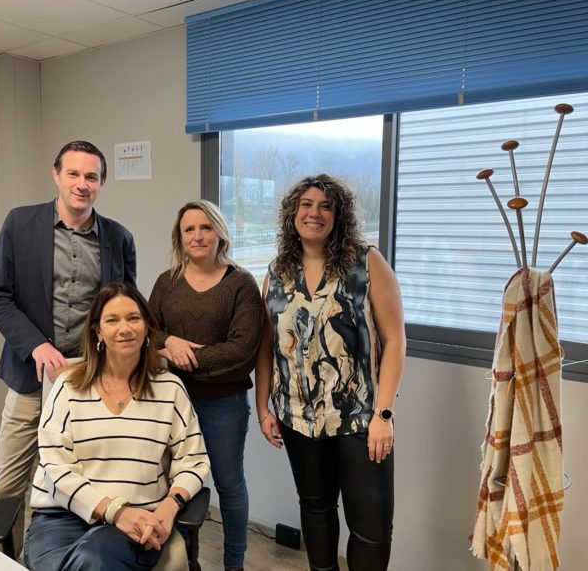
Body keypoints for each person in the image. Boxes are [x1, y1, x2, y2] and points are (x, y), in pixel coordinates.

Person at [0, 141, 137, 535]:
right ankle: (7, 558)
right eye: (73, 174)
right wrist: (36, 344)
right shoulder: (20, 224)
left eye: (91, 177)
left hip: (90, 377)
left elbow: (125, 308)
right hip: (31, 375)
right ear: (56, 175)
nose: (82, 184)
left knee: (84, 481)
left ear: (102, 182)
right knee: (6, 485)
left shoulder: (119, 238)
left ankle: (66, 554)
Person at [255, 175, 406, 571]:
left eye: (325, 206)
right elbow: (266, 346)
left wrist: (384, 415)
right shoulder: (276, 272)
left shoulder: (366, 263)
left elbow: (395, 341)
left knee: (371, 528)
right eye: (306, 204)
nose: (315, 213)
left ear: (339, 215)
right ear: (293, 214)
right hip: (297, 418)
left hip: (360, 418)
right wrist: (263, 408)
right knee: (316, 511)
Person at [24, 282, 210, 570]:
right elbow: (55, 465)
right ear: (98, 332)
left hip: (137, 521)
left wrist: (169, 507)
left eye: (133, 318)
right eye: (112, 320)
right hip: (61, 519)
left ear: (147, 327)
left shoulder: (169, 389)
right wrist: (113, 510)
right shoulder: (68, 385)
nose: (125, 328)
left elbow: (194, 460)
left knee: (93, 557)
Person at [148, 200, 263, 571]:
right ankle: (181, 560)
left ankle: (234, 564)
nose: (197, 236)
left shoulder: (241, 283)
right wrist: (169, 342)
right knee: (169, 484)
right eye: (189, 229)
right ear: (179, 237)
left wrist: (184, 358)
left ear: (220, 233)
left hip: (223, 404)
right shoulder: (166, 283)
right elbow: (147, 331)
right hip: (170, 402)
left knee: (229, 485)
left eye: (205, 227)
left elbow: (243, 350)